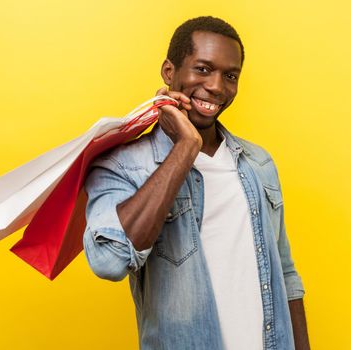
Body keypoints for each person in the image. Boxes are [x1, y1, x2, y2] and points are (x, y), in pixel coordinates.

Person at [83, 16, 309, 350]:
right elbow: (110, 262)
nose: (218, 86)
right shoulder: (123, 165)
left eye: (230, 75)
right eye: (203, 69)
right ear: (169, 72)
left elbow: (286, 276)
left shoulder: (258, 164)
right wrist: (186, 148)